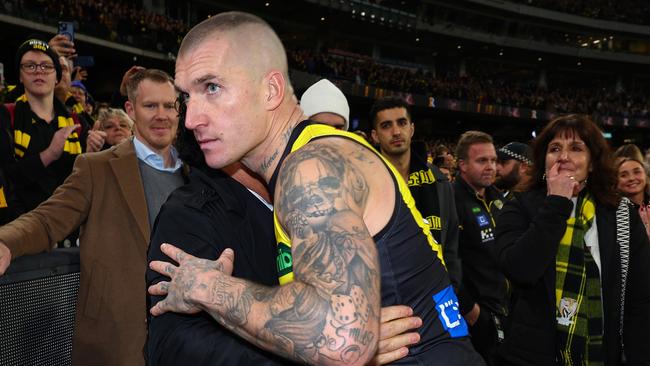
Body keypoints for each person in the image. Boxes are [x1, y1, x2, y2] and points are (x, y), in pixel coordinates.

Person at [148, 11, 483, 365]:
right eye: (187, 97)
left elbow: (341, 340)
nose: (190, 119)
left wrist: (205, 287)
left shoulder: (311, 166)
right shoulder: (310, 156)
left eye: (212, 88)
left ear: (271, 90)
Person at [0, 68, 182, 366]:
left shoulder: (196, 174)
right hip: (117, 339)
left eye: (169, 106)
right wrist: (6, 242)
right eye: (150, 106)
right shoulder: (96, 168)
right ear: (131, 109)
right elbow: (47, 219)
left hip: (182, 337)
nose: (161, 115)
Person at [495, 114, 650, 365]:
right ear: (543, 161)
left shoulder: (621, 213)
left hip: (603, 351)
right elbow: (520, 270)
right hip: (533, 355)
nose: (564, 156)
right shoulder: (518, 206)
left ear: (591, 163)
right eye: (555, 148)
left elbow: (641, 297)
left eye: (576, 148)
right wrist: (557, 202)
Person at [369, 96, 462, 287]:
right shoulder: (365, 183)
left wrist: (453, 286)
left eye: (401, 123)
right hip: (388, 294)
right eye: (386, 126)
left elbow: (451, 243)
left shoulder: (439, 180)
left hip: (437, 289)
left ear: (411, 129)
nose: (396, 132)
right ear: (375, 136)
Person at [0, 39, 83, 215]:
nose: (39, 71)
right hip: (20, 229)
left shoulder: (77, 122)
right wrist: (49, 155)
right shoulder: (6, 116)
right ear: (20, 76)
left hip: (69, 229)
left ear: (57, 77)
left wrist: (90, 153)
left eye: (46, 66)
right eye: (30, 66)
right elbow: (7, 177)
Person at [453, 130, 507, 365]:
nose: (491, 166)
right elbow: (445, 261)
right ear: (463, 165)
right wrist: (471, 311)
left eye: (494, 160)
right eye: (482, 160)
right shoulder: (450, 200)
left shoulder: (500, 199)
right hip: (476, 315)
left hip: (505, 309)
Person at [615, 156, 650, 239]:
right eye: (624, 175)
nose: (631, 178)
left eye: (637, 172)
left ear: (645, 175)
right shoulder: (613, 212)